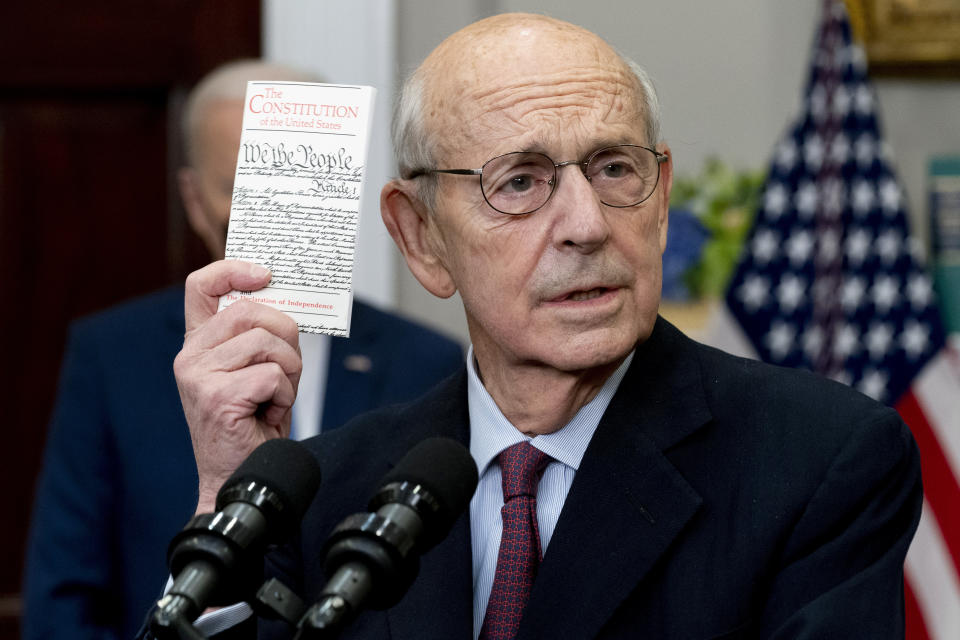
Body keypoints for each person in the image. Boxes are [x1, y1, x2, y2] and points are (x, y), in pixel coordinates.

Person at [154, 14, 921, 639]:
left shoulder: (820, 460)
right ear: (421, 236)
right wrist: (229, 494)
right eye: (520, 182)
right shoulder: (333, 485)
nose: (586, 225)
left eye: (616, 169)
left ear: (660, 202)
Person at [22, 60, 464, 640]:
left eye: (296, 183)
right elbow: (64, 604)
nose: (273, 211)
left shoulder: (428, 360)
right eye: (243, 188)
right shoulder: (110, 358)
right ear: (194, 200)